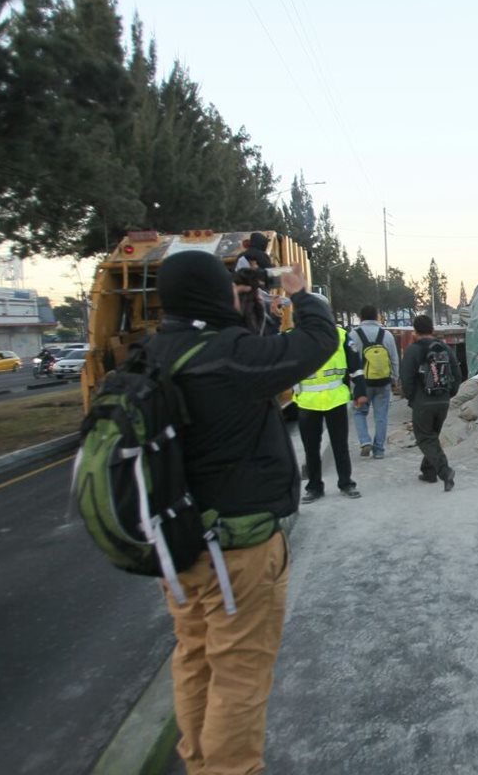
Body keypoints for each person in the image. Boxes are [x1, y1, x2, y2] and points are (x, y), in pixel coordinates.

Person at [147, 250, 338, 775]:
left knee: (194, 656)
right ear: (212, 293)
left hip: (179, 543)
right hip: (238, 550)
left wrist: (248, 310)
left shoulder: (155, 352)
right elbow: (317, 342)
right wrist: (299, 292)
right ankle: (231, 769)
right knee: (239, 671)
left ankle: (199, 761)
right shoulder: (227, 355)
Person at [295, 316, 367, 502]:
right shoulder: (295, 337)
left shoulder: (341, 336)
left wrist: (360, 389)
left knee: (340, 445)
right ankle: (314, 487)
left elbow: (356, 367)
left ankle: (346, 483)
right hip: (308, 402)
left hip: (335, 399)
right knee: (311, 448)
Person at [399, 314, 461, 491]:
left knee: (425, 438)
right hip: (443, 401)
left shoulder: (413, 350)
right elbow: (456, 374)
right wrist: (449, 394)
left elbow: (406, 378)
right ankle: (428, 471)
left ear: (414, 331)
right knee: (432, 436)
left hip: (422, 402)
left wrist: (412, 398)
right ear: (433, 330)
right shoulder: (444, 348)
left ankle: (444, 471)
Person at [347, 304, 399, 459]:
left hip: (362, 383)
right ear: (377, 317)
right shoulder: (387, 335)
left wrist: (351, 384)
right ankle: (379, 451)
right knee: (381, 416)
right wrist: (395, 379)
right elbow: (394, 359)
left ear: (361, 317)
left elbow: (350, 360)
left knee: (359, 412)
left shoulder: (353, 335)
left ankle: (365, 441)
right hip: (383, 382)